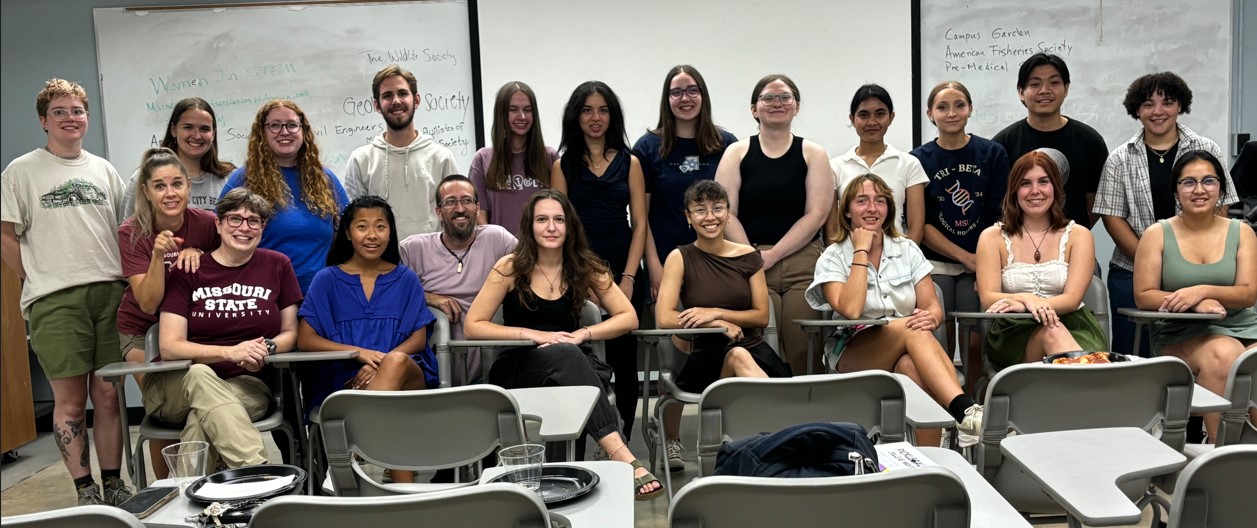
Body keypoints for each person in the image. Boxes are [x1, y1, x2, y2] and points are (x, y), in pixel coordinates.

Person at [464, 190, 662, 500]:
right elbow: (473, 326)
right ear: (530, 226)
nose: (551, 227)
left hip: (571, 364)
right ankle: (620, 452)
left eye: (559, 219)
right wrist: (534, 335)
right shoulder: (510, 266)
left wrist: (585, 333)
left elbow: (629, 317)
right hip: (519, 367)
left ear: (570, 226)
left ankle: (563, 484)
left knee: (573, 374)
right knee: (574, 365)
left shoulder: (584, 265)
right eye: (542, 220)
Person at [1, 78, 131, 506]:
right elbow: (6, 236)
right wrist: (38, 278)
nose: (69, 118)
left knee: (109, 395)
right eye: (59, 112)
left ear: (87, 118)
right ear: (43, 120)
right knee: (71, 402)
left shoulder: (103, 170)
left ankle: (113, 483)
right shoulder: (21, 171)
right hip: (55, 300)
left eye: (76, 111)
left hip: (110, 293)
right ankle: (85, 488)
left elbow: (121, 230)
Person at [805, 174, 982, 447]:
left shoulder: (907, 249)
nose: (872, 208)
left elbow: (931, 305)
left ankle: (929, 460)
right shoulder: (833, 256)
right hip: (852, 350)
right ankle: (963, 410)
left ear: (889, 209)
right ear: (847, 211)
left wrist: (933, 316)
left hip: (908, 347)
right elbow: (851, 310)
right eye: (862, 201)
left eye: (880, 201)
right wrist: (860, 251)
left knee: (911, 366)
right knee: (911, 330)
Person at [154, 188, 301, 472]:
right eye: (234, 219)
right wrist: (231, 352)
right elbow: (169, 346)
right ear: (218, 225)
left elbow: (291, 332)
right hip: (179, 385)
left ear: (262, 228)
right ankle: (260, 478)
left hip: (248, 384)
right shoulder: (189, 269)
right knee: (200, 373)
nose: (244, 227)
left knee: (203, 421)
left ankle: (189, 502)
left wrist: (265, 348)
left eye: (253, 221)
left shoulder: (277, 265)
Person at [1093, 72, 1238, 357]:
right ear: (1136, 109)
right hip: (1131, 269)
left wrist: (1186, 260)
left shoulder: (1207, 149)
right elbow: (1112, 216)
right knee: (1133, 354)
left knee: (1199, 347)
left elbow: (1221, 203)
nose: (1158, 112)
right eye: (1148, 104)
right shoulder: (1120, 158)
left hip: (1198, 269)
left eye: (1167, 102)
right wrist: (1152, 261)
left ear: (1181, 106)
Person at [298, 196, 437, 483]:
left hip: (409, 375)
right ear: (348, 233)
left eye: (380, 227)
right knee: (393, 412)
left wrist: (380, 364)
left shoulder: (406, 279)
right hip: (344, 380)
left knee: (396, 361)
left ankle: (353, 452)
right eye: (362, 227)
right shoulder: (326, 279)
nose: (372, 235)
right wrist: (358, 353)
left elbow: (419, 339)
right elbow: (306, 340)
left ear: (390, 232)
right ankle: (405, 497)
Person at [655, 180, 792, 471]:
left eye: (718, 208)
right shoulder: (680, 257)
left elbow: (760, 316)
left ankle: (766, 442)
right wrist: (716, 325)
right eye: (700, 210)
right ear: (688, 217)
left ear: (728, 213)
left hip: (755, 352)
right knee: (736, 355)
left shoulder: (748, 256)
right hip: (707, 358)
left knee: (741, 354)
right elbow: (664, 317)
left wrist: (717, 313)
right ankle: (782, 437)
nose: (710, 216)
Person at [1133, 150, 1257, 440]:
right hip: (1180, 333)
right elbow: (1144, 295)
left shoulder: (1242, 232)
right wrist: (1194, 305)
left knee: (1250, 360)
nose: (1199, 190)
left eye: (1208, 181)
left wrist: (1202, 290)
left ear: (1222, 188)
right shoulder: (1157, 233)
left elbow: (1248, 293)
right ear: (1176, 190)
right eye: (1188, 182)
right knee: (1224, 353)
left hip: (1244, 327)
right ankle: (1219, 453)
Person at [715, 74, 834, 376]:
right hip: (749, 260)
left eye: (785, 97)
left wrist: (775, 254)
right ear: (754, 109)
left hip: (802, 261)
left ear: (796, 107)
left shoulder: (814, 153)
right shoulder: (737, 152)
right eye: (768, 98)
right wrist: (751, 257)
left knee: (802, 345)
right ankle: (768, 415)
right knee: (761, 345)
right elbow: (725, 212)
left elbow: (817, 213)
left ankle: (810, 418)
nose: (777, 104)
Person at [115, 147, 220, 479]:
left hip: (191, 330)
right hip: (141, 331)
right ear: (145, 191)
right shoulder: (132, 231)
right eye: (160, 186)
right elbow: (147, 303)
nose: (170, 193)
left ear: (189, 186)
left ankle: (214, 482)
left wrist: (196, 250)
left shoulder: (206, 224)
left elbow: (227, 271)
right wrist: (158, 256)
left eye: (177, 183)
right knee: (164, 416)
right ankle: (166, 493)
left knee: (201, 408)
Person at [551, 81, 647, 435]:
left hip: (623, 263)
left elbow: (639, 225)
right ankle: (589, 430)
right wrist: (581, 278)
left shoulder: (631, 162)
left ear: (613, 116)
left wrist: (629, 277)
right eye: (588, 110)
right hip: (577, 266)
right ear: (576, 116)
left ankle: (623, 431)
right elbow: (559, 227)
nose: (596, 118)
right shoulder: (562, 166)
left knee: (625, 356)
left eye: (603, 110)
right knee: (584, 355)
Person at [975, 151, 1106, 367]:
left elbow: (1072, 299)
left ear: (1055, 187)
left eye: (1043, 182)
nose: (1035, 191)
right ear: (1014, 190)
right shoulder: (992, 237)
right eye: (1025, 183)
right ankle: (1095, 392)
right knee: (1052, 332)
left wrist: (1026, 303)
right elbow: (988, 297)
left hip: (1073, 325)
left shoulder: (1079, 235)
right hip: (1013, 332)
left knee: (1053, 330)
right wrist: (1028, 298)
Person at [911, 80, 1009, 362]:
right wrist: (965, 257)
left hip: (982, 263)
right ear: (930, 113)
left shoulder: (992, 154)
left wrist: (981, 262)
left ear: (970, 109)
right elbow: (923, 224)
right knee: (938, 336)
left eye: (959, 105)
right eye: (942, 107)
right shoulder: (917, 160)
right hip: (937, 263)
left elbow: (998, 214)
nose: (951, 113)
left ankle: (977, 399)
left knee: (975, 339)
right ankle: (947, 399)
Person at [222, 99, 349, 294]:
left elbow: (350, 231)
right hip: (264, 297)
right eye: (275, 125)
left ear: (303, 131)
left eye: (292, 125)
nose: (284, 131)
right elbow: (221, 234)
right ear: (262, 133)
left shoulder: (325, 179)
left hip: (319, 297)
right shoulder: (243, 179)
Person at [633, 65, 738, 300]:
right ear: (667, 98)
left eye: (692, 90)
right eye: (676, 92)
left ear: (703, 95)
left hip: (717, 261)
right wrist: (654, 267)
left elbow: (733, 210)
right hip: (665, 260)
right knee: (671, 333)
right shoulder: (647, 147)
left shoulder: (727, 144)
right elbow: (641, 218)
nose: (685, 98)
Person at [400, 174, 517, 385]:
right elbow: (391, 296)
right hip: (431, 372)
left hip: (495, 367)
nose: (460, 209)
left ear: (477, 207)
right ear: (438, 211)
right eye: (451, 202)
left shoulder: (498, 239)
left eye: (467, 201)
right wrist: (429, 297)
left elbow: (534, 271)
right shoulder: (413, 249)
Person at [343, 64, 460, 239]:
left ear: (417, 100)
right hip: (381, 261)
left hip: (431, 259)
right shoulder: (360, 160)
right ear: (377, 105)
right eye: (387, 96)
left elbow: (453, 213)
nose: (396, 101)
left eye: (403, 93)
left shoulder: (441, 157)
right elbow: (355, 221)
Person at [992, 53, 1108, 228]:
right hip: (1018, 246)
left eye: (1054, 82)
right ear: (1021, 92)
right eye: (1035, 84)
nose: (1044, 90)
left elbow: (1095, 204)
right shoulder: (1003, 144)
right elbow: (998, 202)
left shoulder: (1090, 141)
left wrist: (1067, 236)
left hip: (1073, 245)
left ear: (1066, 88)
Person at [826, 84, 927, 244]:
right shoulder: (835, 167)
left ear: (891, 117)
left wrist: (905, 262)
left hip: (896, 259)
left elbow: (916, 226)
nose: (872, 122)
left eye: (879, 114)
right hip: (848, 259)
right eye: (863, 115)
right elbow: (831, 229)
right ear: (852, 119)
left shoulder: (909, 164)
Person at [120, 97, 236, 216]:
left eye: (204, 129)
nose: (197, 136)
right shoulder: (145, 177)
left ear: (213, 134)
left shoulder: (231, 179)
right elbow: (128, 230)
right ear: (174, 130)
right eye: (188, 127)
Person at [469, 81, 557, 235]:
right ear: (501, 114)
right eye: (513, 110)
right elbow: (479, 216)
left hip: (541, 254)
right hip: (499, 254)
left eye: (528, 110)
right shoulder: (482, 159)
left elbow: (558, 213)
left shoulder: (550, 158)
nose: (522, 116)